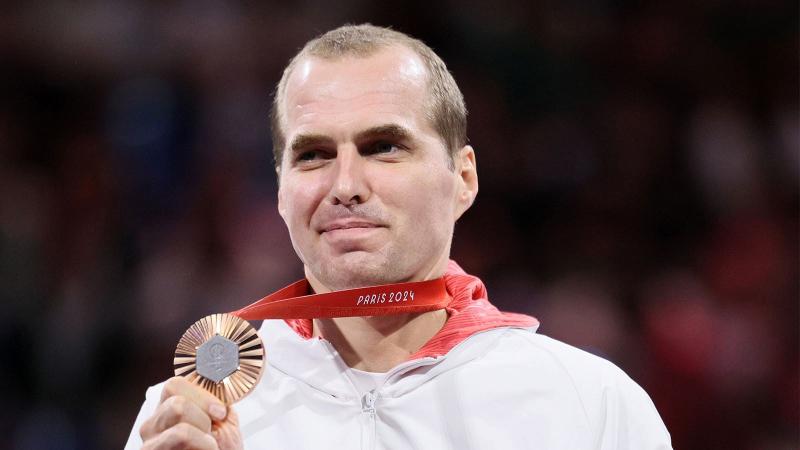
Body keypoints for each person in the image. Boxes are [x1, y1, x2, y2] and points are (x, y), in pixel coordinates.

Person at [125, 24, 672, 449]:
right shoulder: (189, 413)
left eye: (383, 146)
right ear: (280, 191)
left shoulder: (589, 405)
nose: (345, 186)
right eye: (313, 155)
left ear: (463, 178)